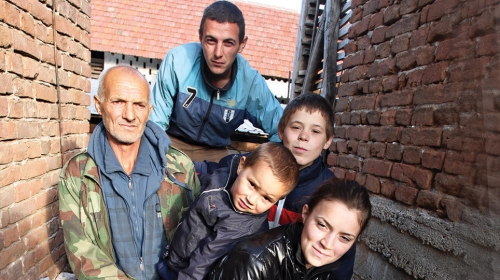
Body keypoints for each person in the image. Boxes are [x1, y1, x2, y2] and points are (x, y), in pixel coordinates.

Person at [58, 65, 201, 279]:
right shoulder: (78, 174)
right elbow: (81, 252)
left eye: (139, 105)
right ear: (99, 105)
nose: (130, 115)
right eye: (118, 102)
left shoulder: (179, 167)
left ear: (149, 111)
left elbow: (200, 235)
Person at [150, 0, 283, 162]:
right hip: (173, 143)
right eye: (211, 41)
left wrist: (257, 164)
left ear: (242, 44)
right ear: (200, 38)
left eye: (228, 43)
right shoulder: (177, 61)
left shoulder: (251, 83)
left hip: (216, 152)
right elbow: (154, 127)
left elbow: (282, 130)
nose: (218, 53)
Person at [157, 142, 300, 280]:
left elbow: (204, 260)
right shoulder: (225, 177)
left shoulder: (241, 226)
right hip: (173, 253)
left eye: (266, 198)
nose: (252, 200)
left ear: (278, 200)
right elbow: (207, 181)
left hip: (185, 270)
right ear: (241, 166)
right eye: (252, 185)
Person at [195, 93, 336, 227]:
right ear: (281, 131)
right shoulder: (255, 163)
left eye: (315, 131)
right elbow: (211, 171)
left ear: (328, 141)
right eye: (296, 127)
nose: (304, 136)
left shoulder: (329, 191)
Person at [208, 178, 372, 280]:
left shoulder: (334, 268)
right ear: (306, 214)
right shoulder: (253, 262)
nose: (328, 244)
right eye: (322, 225)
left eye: (345, 238)